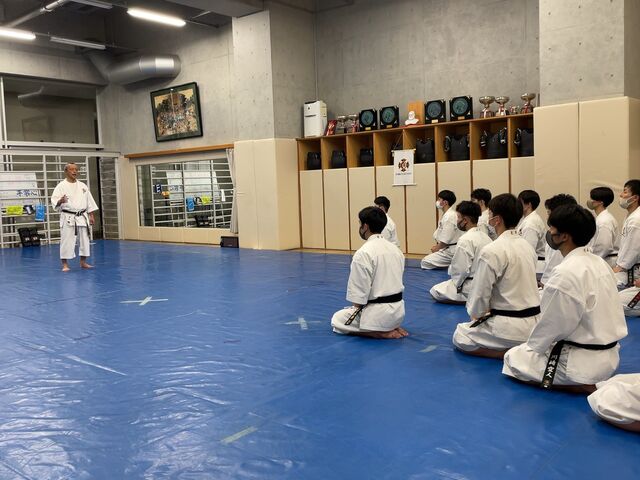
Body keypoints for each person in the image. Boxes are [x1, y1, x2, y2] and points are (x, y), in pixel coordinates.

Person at [503, 204, 628, 392]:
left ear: (564, 236)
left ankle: (580, 384)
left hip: (579, 363)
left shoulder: (565, 272)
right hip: (609, 358)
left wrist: (534, 347)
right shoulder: (600, 263)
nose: (549, 233)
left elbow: (552, 325)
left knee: (513, 357)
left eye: (552, 229)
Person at [452, 194, 541, 358]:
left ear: (497, 220)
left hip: (508, 327)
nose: (488, 218)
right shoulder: (527, 246)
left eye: (490, 214)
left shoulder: (492, 250)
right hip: (534, 324)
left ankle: (504, 353)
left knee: (460, 336)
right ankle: (517, 348)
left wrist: (477, 314)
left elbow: (480, 293)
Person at [331, 206, 408, 339]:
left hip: (377, 316)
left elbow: (358, 297)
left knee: (337, 320)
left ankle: (375, 332)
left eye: (360, 224)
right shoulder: (396, 250)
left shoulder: (364, 253)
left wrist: (356, 309)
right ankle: (389, 326)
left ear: (365, 226)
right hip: (398, 312)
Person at [430, 201, 492, 304]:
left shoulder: (465, 239)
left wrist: (456, 284)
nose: (457, 220)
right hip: (486, 284)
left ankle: (470, 299)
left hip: (470, 286)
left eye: (458, 217)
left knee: (435, 291)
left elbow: (461, 270)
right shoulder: (486, 237)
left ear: (465, 220)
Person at [50, 163, 98, 272]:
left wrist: (91, 215)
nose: (74, 171)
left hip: (82, 216)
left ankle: (83, 262)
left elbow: (89, 201)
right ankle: (65, 264)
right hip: (68, 217)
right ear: (66, 171)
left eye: (76, 169)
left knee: (84, 240)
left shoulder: (83, 186)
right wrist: (60, 201)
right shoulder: (61, 186)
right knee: (66, 240)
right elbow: (55, 201)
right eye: (71, 169)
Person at [539, 194, 577, 287]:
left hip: (557, 284)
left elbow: (551, 271)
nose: (547, 218)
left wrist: (543, 284)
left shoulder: (559, 239)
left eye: (549, 213)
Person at [421, 190, 460, 269]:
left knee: (425, 262)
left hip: (451, 251)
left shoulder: (450, 216)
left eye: (439, 199)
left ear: (445, 202)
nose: (437, 202)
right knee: (429, 259)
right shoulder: (447, 214)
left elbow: (446, 240)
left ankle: (453, 264)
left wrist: (437, 248)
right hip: (446, 248)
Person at [612, 179, 640, 288]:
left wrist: (621, 267)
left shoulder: (636, 220)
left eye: (625, 192)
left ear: (635, 198)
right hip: (626, 269)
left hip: (631, 273)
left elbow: (633, 249)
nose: (621, 195)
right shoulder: (631, 216)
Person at [586, 186, 619, 267]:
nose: (590, 201)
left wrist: (591, 261)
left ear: (600, 202)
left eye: (592, 198)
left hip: (605, 262)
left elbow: (604, 247)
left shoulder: (604, 221)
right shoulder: (602, 218)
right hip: (601, 260)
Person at [516, 190, 546, 273]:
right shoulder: (527, 219)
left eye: (520, 202)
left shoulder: (531, 223)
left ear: (528, 205)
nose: (517, 205)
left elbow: (528, 251)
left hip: (535, 266)